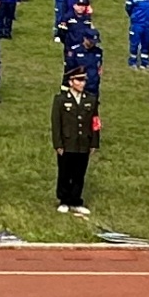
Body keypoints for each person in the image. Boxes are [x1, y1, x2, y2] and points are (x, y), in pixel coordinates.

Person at [50, 67, 100, 216]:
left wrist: (94, 143)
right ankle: (64, 199)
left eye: (83, 80)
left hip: (83, 142)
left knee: (79, 173)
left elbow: (95, 122)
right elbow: (56, 123)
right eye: (79, 80)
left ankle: (76, 200)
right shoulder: (61, 100)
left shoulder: (91, 100)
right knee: (65, 172)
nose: (82, 83)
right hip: (67, 142)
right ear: (71, 82)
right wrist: (58, 143)